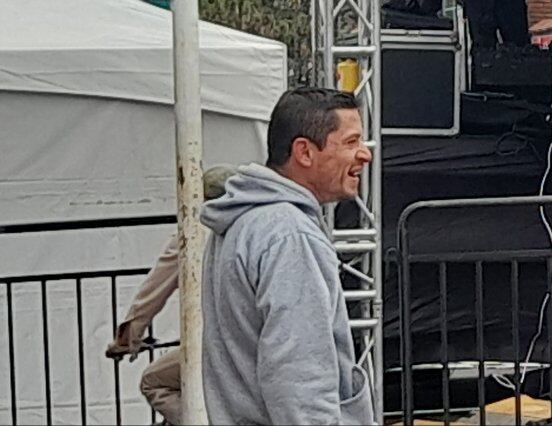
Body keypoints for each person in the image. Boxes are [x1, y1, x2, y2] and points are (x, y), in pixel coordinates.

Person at [201, 88, 376, 425]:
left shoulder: (245, 220)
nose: (364, 155)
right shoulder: (289, 236)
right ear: (304, 152)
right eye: (351, 142)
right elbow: (299, 375)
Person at [105, 167, 238, 425]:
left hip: (219, 345)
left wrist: (127, 339)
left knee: (154, 381)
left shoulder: (192, 234)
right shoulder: (256, 229)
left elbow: (153, 292)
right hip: (258, 345)